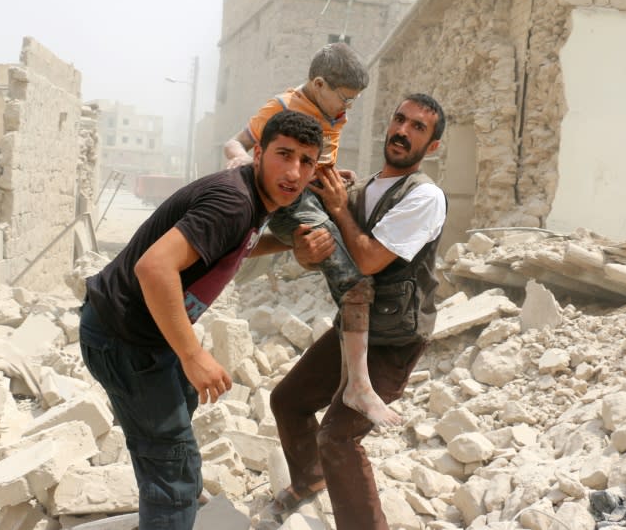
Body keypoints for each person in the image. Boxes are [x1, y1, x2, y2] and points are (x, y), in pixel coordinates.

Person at [78, 110, 324, 530]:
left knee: (175, 440)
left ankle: (168, 495)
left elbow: (231, 243)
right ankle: (170, 504)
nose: (294, 171)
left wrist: (288, 248)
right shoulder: (233, 202)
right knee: (174, 477)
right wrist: (192, 355)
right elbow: (155, 269)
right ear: (259, 153)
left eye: (306, 161)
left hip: (142, 333)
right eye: (284, 154)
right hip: (125, 337)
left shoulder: (251, 198)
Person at [269, 93, 447, 529]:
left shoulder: (426, 197)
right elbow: (324, 252)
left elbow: (367, 260)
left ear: (433, 146)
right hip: (355, 327)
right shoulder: (362, 188)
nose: (403, 131)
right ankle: (311, 481)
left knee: (339, 437)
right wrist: (306, 245)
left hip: (394, 339)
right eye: (400, 119)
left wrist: (337, 208)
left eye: (418, 127)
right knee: (288, 400)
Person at [224, 43, 401, 428]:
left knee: (374, 216)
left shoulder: (332, 112)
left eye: (353, 102)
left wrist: (336, 173)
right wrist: (239, 159)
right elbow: (235, 142)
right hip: (292, 200)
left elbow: (322, 160)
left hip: (317, 191)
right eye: (345, 99)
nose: (347, 109)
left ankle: (369, 342)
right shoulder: (282, 107)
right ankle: (358, 386)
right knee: (354, 285)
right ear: (319, 84)